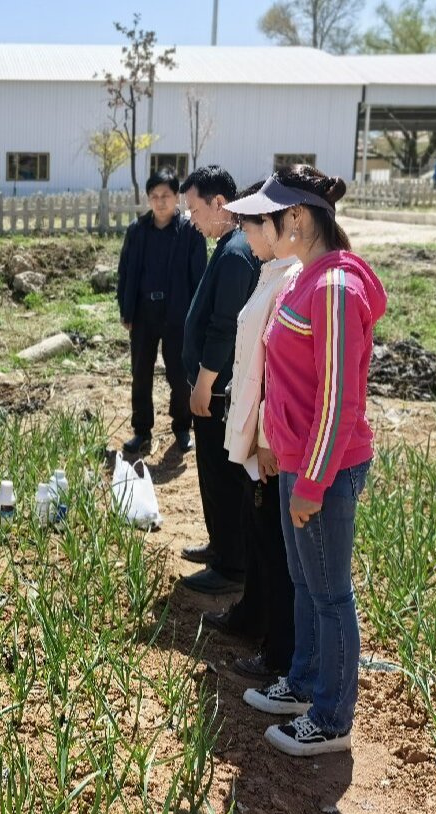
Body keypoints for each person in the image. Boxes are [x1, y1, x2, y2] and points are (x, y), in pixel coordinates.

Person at [231, 165, 387, 757]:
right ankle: (302, 683)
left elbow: (338, 400)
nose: (261, 225)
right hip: (298, 459)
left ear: (297, 217)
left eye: (271, 215)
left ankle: (331, 717)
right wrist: (276, 445)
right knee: (304, 582)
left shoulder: (335, 288)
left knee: (330, 594)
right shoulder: (307, 276)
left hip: (326, 467)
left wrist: (313, 482)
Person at [201, 180, 301, 682]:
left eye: (251, 224)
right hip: (252, 429)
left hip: (269, 438)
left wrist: (265, 438)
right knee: (259, 536)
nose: (243, 232)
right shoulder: (270, 271)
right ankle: (255, 621)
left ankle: (278, 651)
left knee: (274, 549)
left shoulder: (291, 279)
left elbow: (277, 372)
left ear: (277, 226)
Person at [176, 166, 260, 596]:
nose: (191, 219)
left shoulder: (235, 253)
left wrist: (204, 383)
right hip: (217, 385)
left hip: (220, 389)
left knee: (223, 477)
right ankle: (221, 545)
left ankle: (230, 566)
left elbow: (224, 327)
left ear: (219, 204)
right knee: (213, 474)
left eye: (194, 209)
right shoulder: (231, 246)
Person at [116, 168, 208, 456]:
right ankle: (142, 430)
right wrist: (126, 310)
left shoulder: (190, 231)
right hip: (144, 313)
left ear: (177, 196)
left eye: (165, 195)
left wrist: (197, 317)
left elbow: (200, 277)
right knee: (140, 373)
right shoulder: (137, 230)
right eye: (154, 196)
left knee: (179, 375)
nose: (160, 201)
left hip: (178, 314)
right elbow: (125, 273)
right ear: (148, 198)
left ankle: (182, 426)